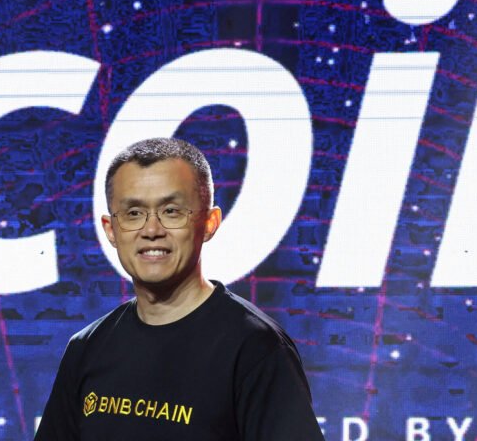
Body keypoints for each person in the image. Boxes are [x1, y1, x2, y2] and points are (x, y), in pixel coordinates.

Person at [35, 137, 325, 441]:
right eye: (133, 213)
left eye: (171, 211)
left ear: (209, 222)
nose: (151, 230)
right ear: (111, 229)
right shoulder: (86, 349)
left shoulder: (255, 348)